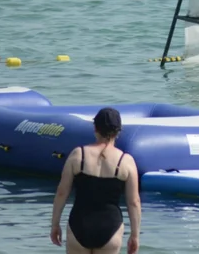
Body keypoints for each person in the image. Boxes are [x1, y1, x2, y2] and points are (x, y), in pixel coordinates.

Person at [50, 107, 141, 254]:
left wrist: (55, 224)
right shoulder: (126, 161)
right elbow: (134, 202)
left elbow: (62, 192)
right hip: (110, 227)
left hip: (79, 225)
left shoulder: (78, 154)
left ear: (95, 128)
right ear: (118, 132)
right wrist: (135, 235)